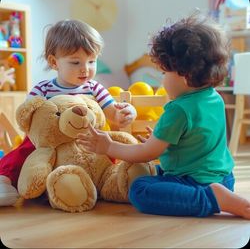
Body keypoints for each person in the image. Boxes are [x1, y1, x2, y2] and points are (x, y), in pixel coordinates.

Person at [76, 13, 250, 219]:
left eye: (164, 73)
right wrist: (160, 142)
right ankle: (220, 193)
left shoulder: (178, 109)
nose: (162, 80)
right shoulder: (214, 98)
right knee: (150, 173)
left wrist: (108, 147)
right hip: (225, 178)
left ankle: (212, 199)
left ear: (185, 76)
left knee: (140, 189)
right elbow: (198, 143)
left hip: (194, 182)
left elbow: (146, 153)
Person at [0, 19, 137, 206]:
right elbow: (27, 116)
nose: (85, 69)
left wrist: (127, 112)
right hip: (53, 144)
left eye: (92, 61)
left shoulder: (95, 88)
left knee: (109, 147)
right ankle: (5, 181)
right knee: (24, 150)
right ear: (54, 62)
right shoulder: (44, 88)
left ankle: (112, 181)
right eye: (75, 62)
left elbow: (113, 113)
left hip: (88, 144)